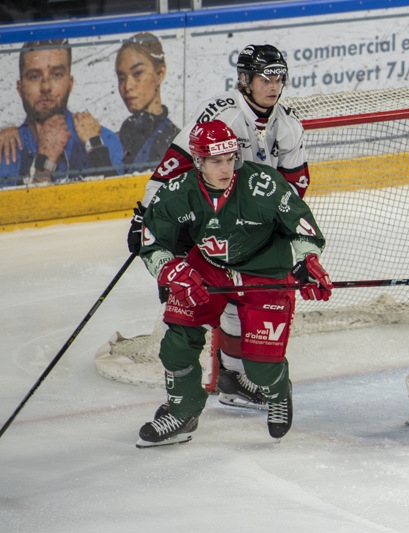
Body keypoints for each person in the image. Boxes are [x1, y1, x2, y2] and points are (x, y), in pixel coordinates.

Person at [126, 43, 311, 410]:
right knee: (183, 306)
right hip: (200, 220)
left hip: (246, 225)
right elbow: (177, 163)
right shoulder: (222, 115)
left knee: (237, 301)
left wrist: (279, 224)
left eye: (279, 76)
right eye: (264, 76)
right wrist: (144, 214)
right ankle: (181, 395)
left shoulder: (287, 124)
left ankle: (230, 378)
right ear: (245, 80)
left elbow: (296, 184)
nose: (273, 85)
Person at [136, 120, 332, 447]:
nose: (226, 168)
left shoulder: (263, 185)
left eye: (230, 158)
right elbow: (153, 243)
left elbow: (301, 228)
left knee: (260, 371)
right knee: (177, 339)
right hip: (210, 268)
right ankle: (182, 411)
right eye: (215, 161)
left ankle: (278, 389)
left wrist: (308, 260)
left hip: (266, 271)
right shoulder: (177, 193)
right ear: (198, 161)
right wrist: (169, 269)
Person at [0, 39, 124, 187]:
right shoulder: (5, 150)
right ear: (20, 88)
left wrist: (95, 147)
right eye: (34, 76)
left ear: (70, 83)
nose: (46, 86)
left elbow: (120, 205)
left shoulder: (105, 141)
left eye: (57, 74)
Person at [115, 32, 180, 174]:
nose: (128, 86)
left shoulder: (175, 144)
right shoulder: (120, 138)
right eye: (121, 78)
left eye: (138, 73)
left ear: (160, 73)